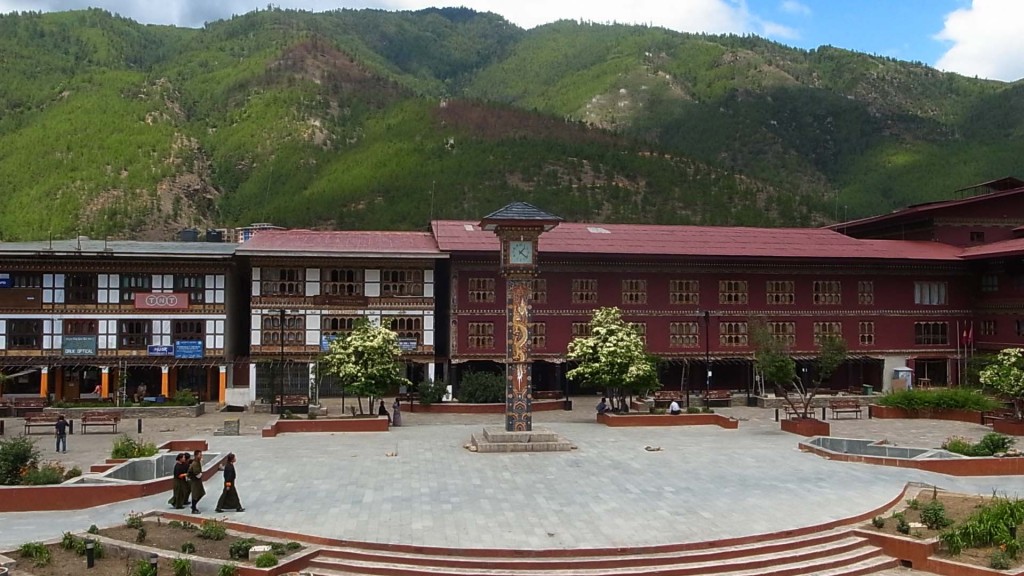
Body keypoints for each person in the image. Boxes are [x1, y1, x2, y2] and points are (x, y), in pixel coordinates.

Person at [188, 449, 206, 514]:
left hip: (197, 481)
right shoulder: (195, 463)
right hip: (195, 481)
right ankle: (193, 508)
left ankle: (193, 506)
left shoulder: (198, 462)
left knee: (201, 493)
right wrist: (200, 474)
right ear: (196, 455)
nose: (201, 456)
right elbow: (196, 474)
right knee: (195, 494)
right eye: (200, 455)